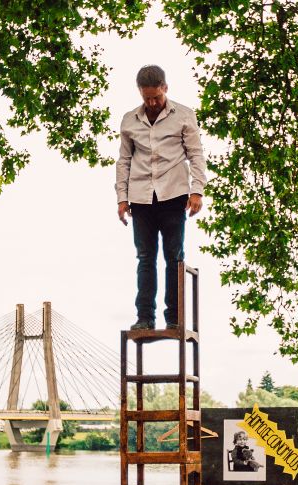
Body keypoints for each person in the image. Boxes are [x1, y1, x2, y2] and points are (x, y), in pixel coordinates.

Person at [116, 65, 207, 331]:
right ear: (140, 93)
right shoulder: (129, 120)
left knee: (174, 255)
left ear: (165, 88)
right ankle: (145, 317)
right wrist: (122, 198)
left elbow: (196, 155)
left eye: (156, 97)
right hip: (141, 197)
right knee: (145, 257)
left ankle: (174, 318)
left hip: (173, 194)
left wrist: (197, 190)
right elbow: (124, 161)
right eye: (147, 98)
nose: (153, 103)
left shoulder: (184, 116)